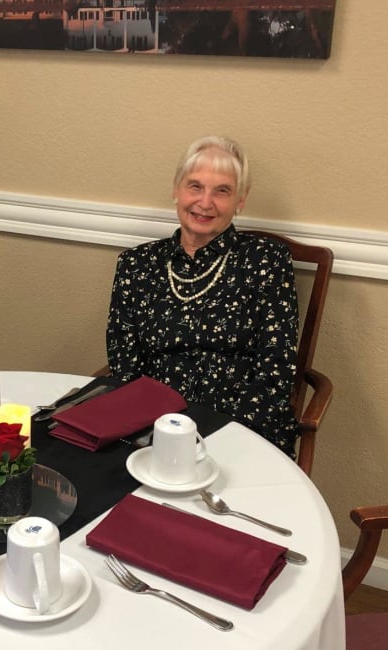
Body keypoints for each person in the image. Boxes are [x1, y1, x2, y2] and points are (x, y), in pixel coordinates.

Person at [105, 136, 300, 457]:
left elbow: (275, 370)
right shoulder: (136, 264)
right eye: (195, 186)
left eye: (222, 190)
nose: (205, 202)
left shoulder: (267, 259)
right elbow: (125, 363)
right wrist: (157, 426)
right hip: (151, 421)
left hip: (239, 421)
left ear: (241, 200)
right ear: (176, 190)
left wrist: (203, 430)